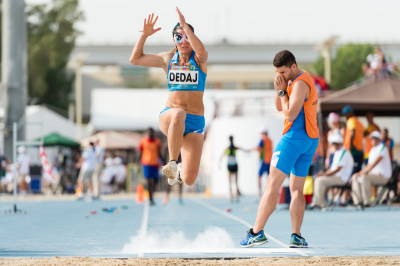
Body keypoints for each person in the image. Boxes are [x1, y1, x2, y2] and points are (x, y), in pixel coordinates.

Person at [240, 50, 319, 248]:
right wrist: (280, 90)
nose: (280, 76)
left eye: (282, 72)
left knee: (272, 186)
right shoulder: (295, 81)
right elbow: (279, 107)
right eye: (277, 72)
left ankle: (256, 232)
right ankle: (296, 235)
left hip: (294, 138)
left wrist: (284, 92)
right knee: (296, 190)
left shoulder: (299, 83)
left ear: (293, 66)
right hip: (309, 140)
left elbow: (290, 114)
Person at [129, 8, 208, 186]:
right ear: (174, 40)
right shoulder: (168, 59)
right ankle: (172, 163)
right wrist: (144, 36)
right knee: (179, 113)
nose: (183, 41)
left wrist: (184, 24)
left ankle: (178, 171)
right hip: (171, 116)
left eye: (186, 36)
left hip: (195, 122)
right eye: (178, 37)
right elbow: (135, 59)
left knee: (189, 179)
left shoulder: (199, 60)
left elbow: (202, 51)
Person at [311, 134, 354, 209]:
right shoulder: (338, 152)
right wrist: (324, 174)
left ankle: (321, 204)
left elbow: (338, 169)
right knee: (317, 178)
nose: (334, 145)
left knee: (320, 180)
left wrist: (324, 174)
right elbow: (333, 169)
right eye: (333, 143)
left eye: (336, 143)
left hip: (342, 179)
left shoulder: (343, 153)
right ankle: (317, 202)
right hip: (337, 177)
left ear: (341, 143)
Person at [351, 131, 392, 207]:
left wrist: (364, 172)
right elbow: (369, 165)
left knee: (365, 177)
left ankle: (367, 202)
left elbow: (375, 163)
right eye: (372, 139)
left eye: (376, 138)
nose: (373, 140)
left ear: (379, 139)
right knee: (355, 177)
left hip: (383, 176)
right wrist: (359, 173)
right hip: (373, 175)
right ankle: (358, 202)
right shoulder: (372, 150)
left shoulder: (383, 148)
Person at [138, 127, 162, 206]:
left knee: (156, 181)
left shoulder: (157, 142)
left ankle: (151, 193)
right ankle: (150, 198)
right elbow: (140, 153)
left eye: (152, 133)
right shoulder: (143, 141)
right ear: (147, 133)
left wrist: (164, 161)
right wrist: (138, 163)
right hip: (146, 163)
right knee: (148, 181)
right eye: (149, 133)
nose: (150, 134)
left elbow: (159, 153)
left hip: (155, 164)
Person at [219, 135, 245, 202]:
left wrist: (219, 164)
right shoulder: (235, 147)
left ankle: (231, 196)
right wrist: (249, 151)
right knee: (236, 182)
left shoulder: (227, 148)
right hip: (235, 165)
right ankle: (236, 197)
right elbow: (243, 149)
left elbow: (221, 157)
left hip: (229, 166)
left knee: (230, 182)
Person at [341, 105, 364, 174]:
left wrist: (350, 146)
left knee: (351, 171)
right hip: (359, 150)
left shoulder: (351, 120)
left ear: (350, 113)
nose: (345, 116)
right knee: (358, 170)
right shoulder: (359, 122)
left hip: (353, 150)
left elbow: (352, 133)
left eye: (346, 114)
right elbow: (364, 133)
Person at [256, 128, 273, 198]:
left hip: (263, 160)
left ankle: (260, 193)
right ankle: (268, 191)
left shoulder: (263, 140)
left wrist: (250, 150)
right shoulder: (270, 140)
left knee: (259, 176)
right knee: (269, 177)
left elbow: (258, 148)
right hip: (270, 161)